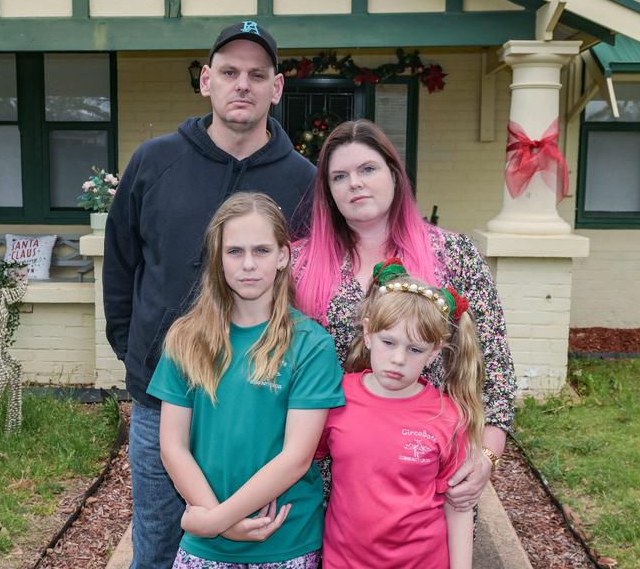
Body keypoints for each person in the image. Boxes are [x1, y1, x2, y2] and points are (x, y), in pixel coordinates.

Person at [105, 22, 316, 568]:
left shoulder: (305, 182)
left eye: (256, 74)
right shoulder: (154, 162)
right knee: (156, 549)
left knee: (256, 547)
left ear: (278, 88)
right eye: (228, 72)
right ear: (206, 80)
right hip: (164, 400)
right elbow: (122, 264)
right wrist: (140, 355)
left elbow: (314, 284)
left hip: (261, 408)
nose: (241, 85)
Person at [291, 119, 515, 510]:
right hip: (328, 480)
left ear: (395, 175)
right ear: (328, 192)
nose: (354, 183)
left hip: (423, 474)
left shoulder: (454, 255)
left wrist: (487, 457)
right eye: (339, 176)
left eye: (367, 169)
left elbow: (495, 370)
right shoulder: (298, 265)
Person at [149, 192, 344, 568]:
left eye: (262, 251)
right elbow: (172, 447)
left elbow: (296, 458)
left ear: (283, 256)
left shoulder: (311, 345)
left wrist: (217, 521)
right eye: (235, 252)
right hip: (205, 544)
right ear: (218, 259)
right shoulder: (186, 338)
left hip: (285, 540)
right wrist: (218, 521)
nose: (249, 265)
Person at [316, 260, 484, 569]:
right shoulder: (336, 398)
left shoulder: (446, 416)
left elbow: (459, 506)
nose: (398, 359)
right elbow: (301, 461)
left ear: (435, 352)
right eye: (388, 342)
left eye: (415, 350)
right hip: (344, 562)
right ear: (368, 334)